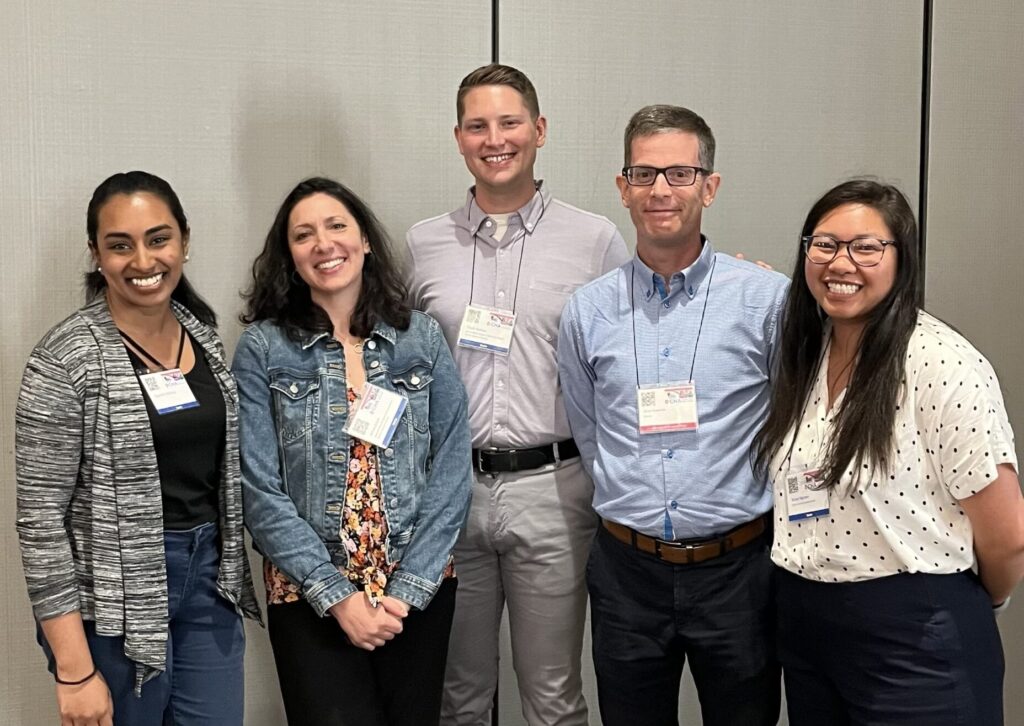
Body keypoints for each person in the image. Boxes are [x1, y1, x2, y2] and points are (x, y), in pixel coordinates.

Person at [752, 179, 1024, 725]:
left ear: (902, 258)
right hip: (807, 629)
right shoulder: (809, 352)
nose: (840, 262)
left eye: (866, 247)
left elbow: (1009, 537)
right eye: (824, 244)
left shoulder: (942, 366)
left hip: (915, 636)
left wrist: (967, 604)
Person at [406, 63, 628, 726]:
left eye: (509, 122)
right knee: (458, 693)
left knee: (553, 695)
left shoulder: (594, 242)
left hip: (554, 491)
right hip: (449, 496)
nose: (494, 138)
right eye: (478, 125)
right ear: (458, 137)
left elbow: (630, 363)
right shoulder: (421, 245)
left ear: (539, 129)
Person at [557, 105, 787, 726]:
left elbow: (794, 424)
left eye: (680, 173)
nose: (661, 189)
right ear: (623, 188)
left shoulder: (767, 300)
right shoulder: (587, 311)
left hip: (738, 572)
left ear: (709, 187)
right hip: (626, 572)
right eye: (644, 173)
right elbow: (589, 429)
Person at [15, 171, 260, 726]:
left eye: (158, 239)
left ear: (184, 241)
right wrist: (74, 671)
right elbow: (41, 522)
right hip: (113, 601)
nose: (143, 261)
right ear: (96, 254)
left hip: (209, 580)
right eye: (119, 245)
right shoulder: (66, 358)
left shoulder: (203, 336)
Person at [233, 176, 472, 725]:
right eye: (304, 235)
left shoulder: (421, 338)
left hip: (417, 587)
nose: (324, 244)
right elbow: (258, 488)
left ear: (365, 240)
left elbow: (453, 468)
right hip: (309, 592)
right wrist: (338, 596)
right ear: (289, 257)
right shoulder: (265, 349)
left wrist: (408, 590)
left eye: (337, 226)